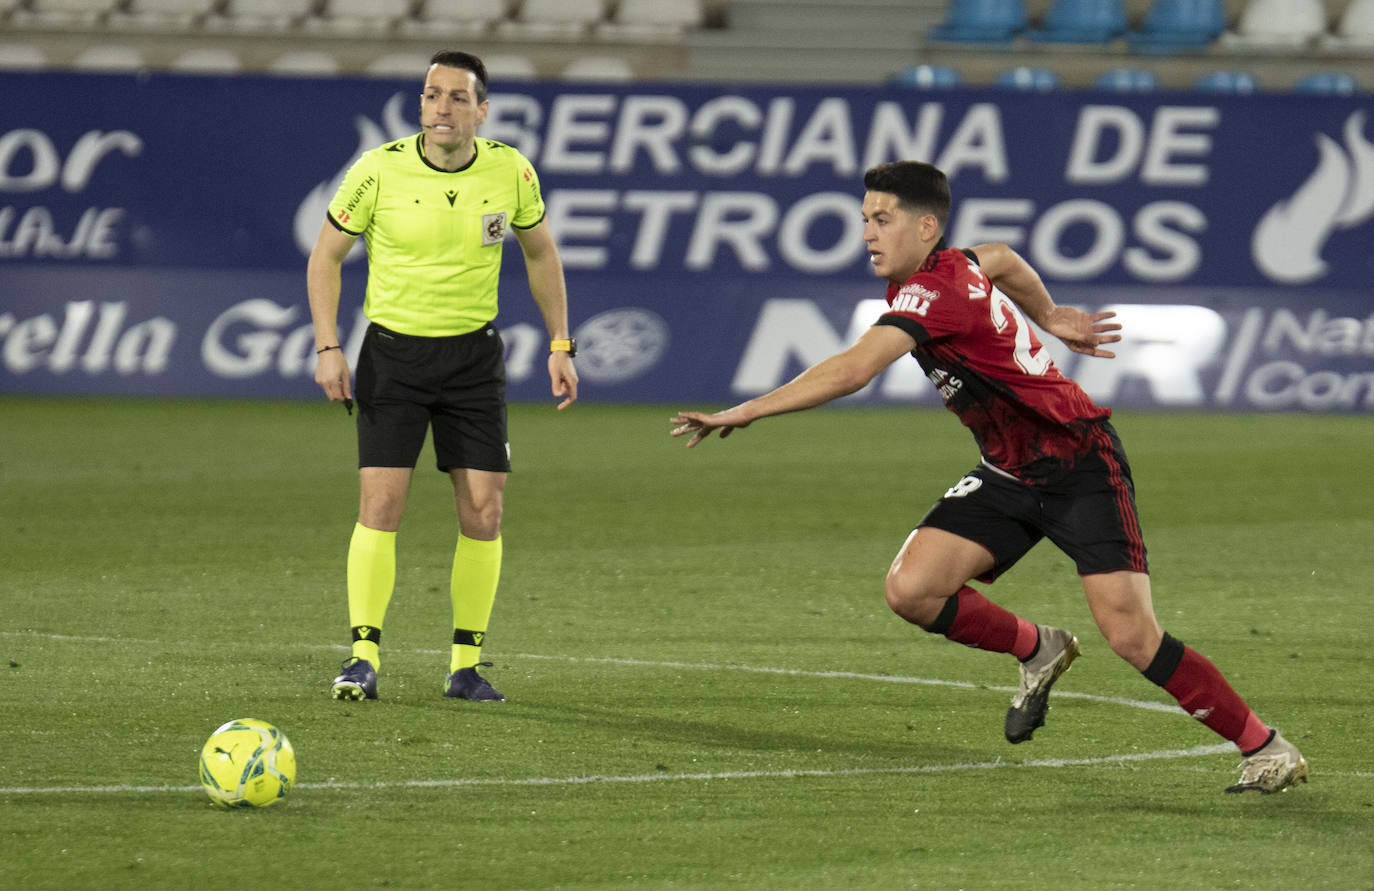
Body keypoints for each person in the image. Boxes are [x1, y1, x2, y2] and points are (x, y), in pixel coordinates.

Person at [670, 160, 1307, 795]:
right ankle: (1039, 647)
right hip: (1008, 470)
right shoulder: (951, 267)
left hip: (1077, 463)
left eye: (881, 219)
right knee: (913, 591)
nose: (867, 232)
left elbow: (852, 370)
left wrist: (748, 409)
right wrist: (1050, 315)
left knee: (1131, 635)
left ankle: (1267, 747)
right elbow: (1000, 257)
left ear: (925, 227)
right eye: (864, 218)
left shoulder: (934, 292)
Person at [308, 50, 578, 704]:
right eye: (432, 95)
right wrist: (328, 346)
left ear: (482, 110)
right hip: (392, 357)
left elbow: (541, 252)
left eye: (458, 97)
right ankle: (362, 656)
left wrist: (560, 343)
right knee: (381, 506)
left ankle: (465, 665)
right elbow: (326, 257)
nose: (442, 108)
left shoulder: (510, 170)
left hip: (473, 362)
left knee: (485, 511)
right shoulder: (379, 170)